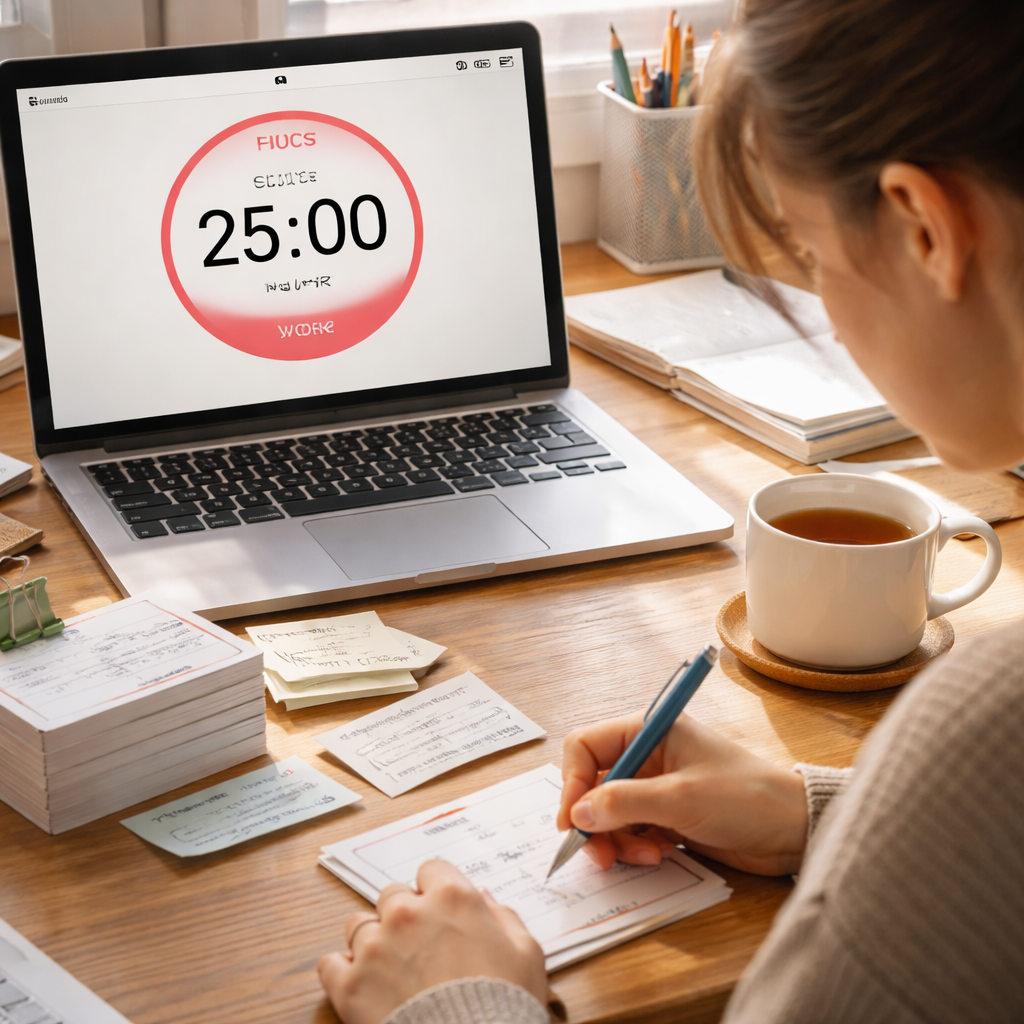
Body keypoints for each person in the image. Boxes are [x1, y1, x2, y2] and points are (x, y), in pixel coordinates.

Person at [317, 1, 1024, 1020]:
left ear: (924, 227)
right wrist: (829, 816)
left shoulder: (985, 728)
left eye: (814, 257)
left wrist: (462, 1004)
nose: (821, 297)